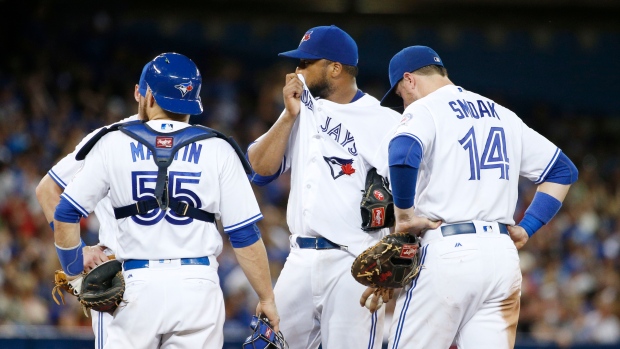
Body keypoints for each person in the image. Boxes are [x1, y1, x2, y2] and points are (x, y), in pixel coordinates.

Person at [52, 52, 279, 348]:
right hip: (198, 288)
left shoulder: (113, 142)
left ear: (147, 96)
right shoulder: (219, 147)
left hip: (134, 289)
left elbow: (65, 213)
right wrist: (266, 298)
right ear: (193, 102)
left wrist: (74, 272)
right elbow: (244, 235)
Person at [367, 45, 578, 349]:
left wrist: (403, 216)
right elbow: (562, 171)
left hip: (447, 251)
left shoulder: (425, 108)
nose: (403, 102)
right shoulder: (502, 113)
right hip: (502, 257)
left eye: (400, 93)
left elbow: (402, 152)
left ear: (410, 80)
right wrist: (528, 227)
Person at [247, 25, 401, 348]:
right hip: (299, 258)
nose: (296, 71)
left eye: (305, 63)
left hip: (354, 263)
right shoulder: (301, 110)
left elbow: (408, 193)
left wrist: (392, 259)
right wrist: (288, 116)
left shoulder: (383, 121)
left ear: (335, 68)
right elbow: (258, 166)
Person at [36, 61, 152, 349]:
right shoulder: (109, 139)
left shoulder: (197, 143)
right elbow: (48, 189)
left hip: (182, 278)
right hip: (122, 278)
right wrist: (76, 260)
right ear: (139, 93)